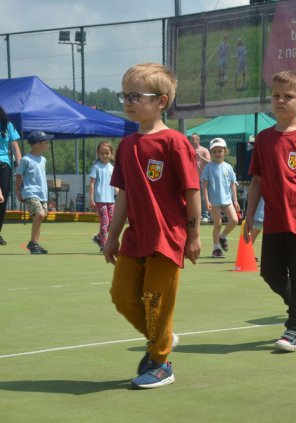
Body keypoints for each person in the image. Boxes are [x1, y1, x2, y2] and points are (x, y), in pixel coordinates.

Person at [104, 63, 201, 389]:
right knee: (121, 297)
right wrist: (112, 235)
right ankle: (161, 338)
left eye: (136, 96)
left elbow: (192, 190)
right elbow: (124, 197)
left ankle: (161, 364)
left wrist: (194, 235)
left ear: (161, 101)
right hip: (136, 238)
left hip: (168, 237)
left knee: (156, 301)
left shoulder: (175, 142)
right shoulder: (127, 146)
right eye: (125, 95)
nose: (129, 102)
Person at [243, 70, 296, 352]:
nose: (280, 101)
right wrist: (249, 215)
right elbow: (257, 180)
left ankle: (295, 328)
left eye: (287, 96)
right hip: (274, 222)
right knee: (270, 273)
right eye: (276, 95)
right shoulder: (264, 139)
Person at [15, 130, 52, 254]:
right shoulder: (26, 160)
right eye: (45, 142)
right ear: (37, 144)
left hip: (42, 194)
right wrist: (18, 192)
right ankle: (33, 243)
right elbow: (19, 176)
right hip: (30, 192)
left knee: (40, 217)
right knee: (40, 214)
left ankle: (35, 243)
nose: (48, 145)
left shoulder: (43, 160)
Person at [201, 137, 240, 258]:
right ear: (211, 153)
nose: (217, 154)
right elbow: (205, 185)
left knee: (234, 220)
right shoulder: (208, 167)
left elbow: (232, 184)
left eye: (220, 151)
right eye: (214, 151)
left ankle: (222, 236)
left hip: (227, 200)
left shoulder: (228, 167)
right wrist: (206, 200)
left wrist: (235, 201)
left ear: (225, 151)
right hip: (214, 201)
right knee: (217, 224)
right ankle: (216, 248)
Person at [89, 141, 118, 252]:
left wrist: (117, 190)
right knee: (105, 222)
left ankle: (99, 237)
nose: (104, 155)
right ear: (98, 153)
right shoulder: (96, 167)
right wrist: (91, 198)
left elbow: (114, 183)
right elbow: (91, 183)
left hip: (111, 200)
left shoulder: (112, 167)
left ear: (111, 154)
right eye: (102, 153)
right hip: (100, 199)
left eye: (107, 153)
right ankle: (104, 245)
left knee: (112, 222)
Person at [0, 105, 22, 246]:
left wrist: (20, 167)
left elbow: (15, 148)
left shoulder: (7, 126)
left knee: (2, 202)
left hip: (4, 166)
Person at [189, 133, 211, 223]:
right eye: (191, 139)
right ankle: (197, 215)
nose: (192, 141)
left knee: (203, 196)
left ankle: (206, 215)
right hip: (192, 177)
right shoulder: (189, 150)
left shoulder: (204, 150)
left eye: (194, 139)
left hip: (203, 177)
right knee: (194, 197)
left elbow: (209, 161)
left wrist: (200, 157)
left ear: (198, 140)